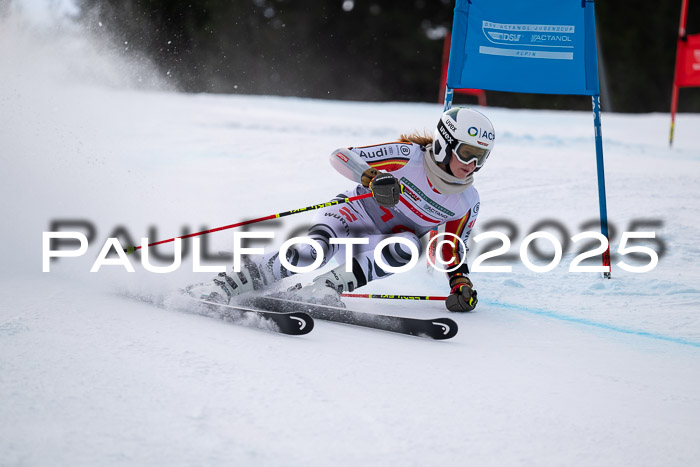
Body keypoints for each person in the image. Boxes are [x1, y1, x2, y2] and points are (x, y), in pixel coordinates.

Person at [189, 107, 495, 312]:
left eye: (480, 157)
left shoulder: (467, 201)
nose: (472, 165)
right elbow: (341, 156)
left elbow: (452, 248)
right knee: (310, 253)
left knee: (407, 247)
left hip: (377, 246)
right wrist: (370, 178)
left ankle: (325, 288)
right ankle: (228, 283)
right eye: (467, 153)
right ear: (445, 143)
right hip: (352, 217)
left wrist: (461, 284)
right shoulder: (407, 157)